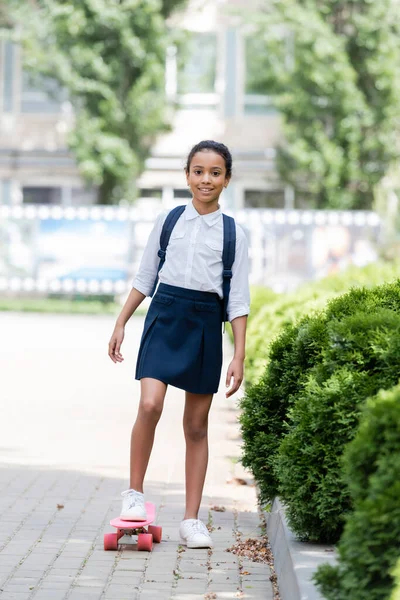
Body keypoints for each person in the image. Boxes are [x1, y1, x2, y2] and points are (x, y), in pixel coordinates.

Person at [108, 140, 250, 549]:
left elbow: (238, 299)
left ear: (226, 179)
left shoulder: (234, 234)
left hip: (205, 323)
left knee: (196, 425)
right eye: (198, 171)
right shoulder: (169, 221)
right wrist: (121, 322)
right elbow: (144, 276)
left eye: (215, 172)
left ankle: (191, 520)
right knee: (150, 404)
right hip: (165, 315)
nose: (206, 179)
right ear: (187, 174)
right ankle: (134, 496)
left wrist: (238, 354)